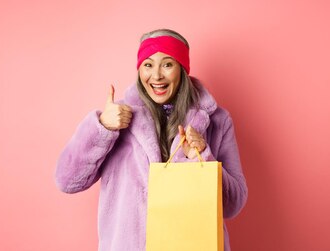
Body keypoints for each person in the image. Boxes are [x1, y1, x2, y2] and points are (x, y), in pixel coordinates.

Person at [55, 29, 248, 251]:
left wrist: (203, 155)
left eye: (167, 64)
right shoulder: (118, 117)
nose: (156, 76)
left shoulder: (217, 121)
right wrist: (103, 128)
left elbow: (233, 204)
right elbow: (67, 180)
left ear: (182, 69)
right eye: (148, 65)